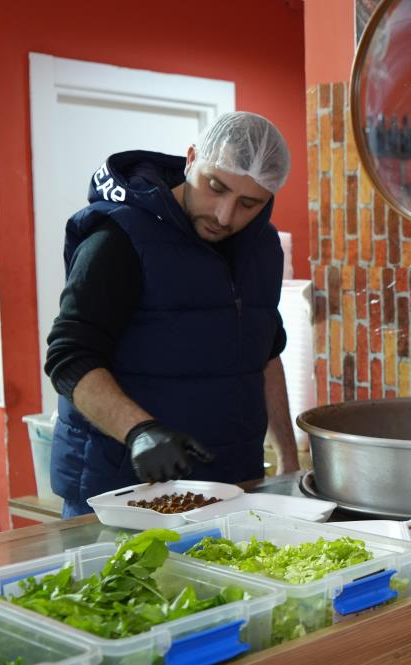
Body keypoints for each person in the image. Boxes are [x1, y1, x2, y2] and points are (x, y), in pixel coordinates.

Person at [46, 111, 301, 519]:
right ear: (191, 159)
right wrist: (139, 430)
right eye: (215, 187)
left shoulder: (263, 249)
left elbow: (266, 352)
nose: (224, 216)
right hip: (121, 491)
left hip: (233, 484)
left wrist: (288, 458)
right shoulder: (119, 238)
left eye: (248, 203)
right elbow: (69, 358)